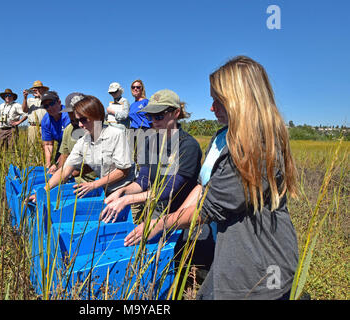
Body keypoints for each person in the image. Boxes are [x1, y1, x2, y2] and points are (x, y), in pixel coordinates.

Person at [124, 56, 299, 300]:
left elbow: (209, 208)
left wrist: (160, 224)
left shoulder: (254, 146)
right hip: (230, 251)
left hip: (256, 265)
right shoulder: (224, 138)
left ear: (241, 101)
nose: (211, 107)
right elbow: (202, 186)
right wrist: (167, 223)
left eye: (218, 100)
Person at [101, 89, 202, 226]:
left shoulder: (187, 146)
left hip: (180, 216)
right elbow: (143, 180)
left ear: (176, 113)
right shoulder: (151, 141)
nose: (154, 121)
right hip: (155, 209)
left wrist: (127, 200)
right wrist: (122, 191)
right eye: (150, 116)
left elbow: (168, 190)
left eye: (159, 115)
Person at [28, 94, 134, 202]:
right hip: (105, 192)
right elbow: (65, 170)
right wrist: (44, 191)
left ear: (97, 116)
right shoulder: (83, 141)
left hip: (127, 192)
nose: (80, 125)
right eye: (78, 120)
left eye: (83, 120)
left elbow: (123, 171)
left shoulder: (116, 134)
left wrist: (94, 184)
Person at [47, 92, 97, 184]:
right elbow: (64, 155)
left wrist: (71, 173)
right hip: (72, 176)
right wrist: (59, 173)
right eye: (72, 112)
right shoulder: (68, 130)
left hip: (94, 179)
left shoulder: (96, 127)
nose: (75, 115)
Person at [40, 91, 71, 169]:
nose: (50, 108)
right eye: (46, 106)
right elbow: (48, 144)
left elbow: (69, 145)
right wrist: (48, 164)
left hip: (74, 144)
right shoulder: (45, 120)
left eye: (52, 103)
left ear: (59, 102)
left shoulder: (69, 116)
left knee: (62, 168)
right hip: (62, 145)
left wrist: (57, 164)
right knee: (53, 168)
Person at [22, 80, 49, 146]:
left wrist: (40, 96)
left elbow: (49, 107)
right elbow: (24, 110)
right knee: (32, 148)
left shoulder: (46, 99)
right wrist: (25, 98)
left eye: (38, 88)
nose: (36, 90)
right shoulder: (30, 100)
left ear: (42, 89)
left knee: (43, 148)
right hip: (32, 127)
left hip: (43, 127)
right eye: (35, 88)